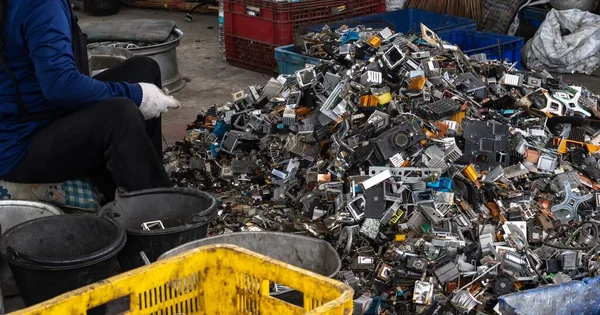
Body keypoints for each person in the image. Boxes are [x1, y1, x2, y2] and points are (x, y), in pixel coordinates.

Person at [0, 0, 180, 202]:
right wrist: (137, 95)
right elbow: (62, 86)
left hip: (44, 112)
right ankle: (160, 213)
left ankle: (146, 183)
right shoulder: (41, 4)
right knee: (120, 116)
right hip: (19, 145)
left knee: (145, 69)